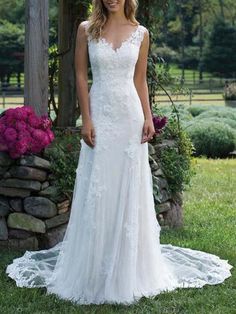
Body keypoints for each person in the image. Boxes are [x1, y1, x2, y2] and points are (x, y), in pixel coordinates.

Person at [6, 0, 233, 306]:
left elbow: (139, 80)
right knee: (99, 187)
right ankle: (94, 269)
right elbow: (81, 76)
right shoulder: (86, 29)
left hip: (129, 117)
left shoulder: (142, 33)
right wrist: (85, 118)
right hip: (99, 114)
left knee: (128, 188)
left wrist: (149, 117)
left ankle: (128, 269)